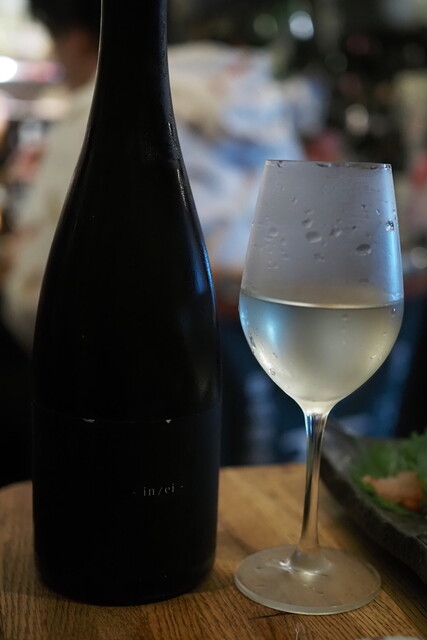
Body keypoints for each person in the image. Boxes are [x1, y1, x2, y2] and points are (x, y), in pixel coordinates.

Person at [2, 0, 324, 467]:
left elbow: (33, 305)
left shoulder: (89, 121)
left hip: (120, 402)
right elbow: (299, 240)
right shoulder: (262, 105)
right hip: (251, 407)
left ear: (77, 37)